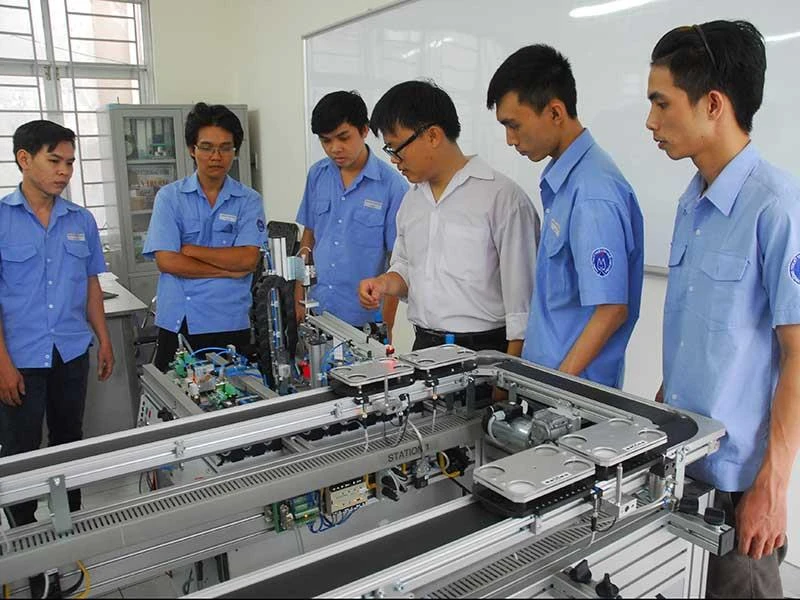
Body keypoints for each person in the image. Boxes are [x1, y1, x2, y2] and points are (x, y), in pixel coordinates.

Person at [647, 20, 799, 598]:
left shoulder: (777, 206)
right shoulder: (692, 203)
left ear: (713, 104)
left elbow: (799, 355)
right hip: (685, 461)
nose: (651, 122)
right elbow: (702, 332)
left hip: (741, 482)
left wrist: (772, 489)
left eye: (662, 103)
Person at [487, 44, 644, 388]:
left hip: (572, 396)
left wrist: (556, 385)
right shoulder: (565, 181)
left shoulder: (592, 193)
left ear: (556, 112)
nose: (510, 140)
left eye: (514, 125)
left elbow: (611, 309)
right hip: (551, 384)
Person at [358, 80, 539, 354]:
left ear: (432, 136)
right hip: (424, 348)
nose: (394, 160)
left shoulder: (502, 198)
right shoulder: (412, 201)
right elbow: (406, 267)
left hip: (485, 351)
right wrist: (384, 283)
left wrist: (509, 373)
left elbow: (523, 308)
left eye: (396, 148)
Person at [0, 120, 114, 529]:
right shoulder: (2, 219)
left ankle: (70, 525)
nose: (64, 171)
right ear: (24, 159)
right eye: (54, 161)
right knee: (21, 448)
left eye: (70, 162)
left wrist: (103, 340)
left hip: (70, 351)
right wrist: (2, 364)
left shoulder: (80, 220)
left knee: (68, 441)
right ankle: (23, 534)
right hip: (20, 357)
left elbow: (91, 284)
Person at [144, 103, 267, 371]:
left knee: (234, 392)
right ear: (192, 149)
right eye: (207, 147)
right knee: (174, 394)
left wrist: (191, 250)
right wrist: (227, 270)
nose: (216, 156)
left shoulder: (248, 200)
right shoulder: (170, 198)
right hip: (180, 320)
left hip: (230, 320)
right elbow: (167, 261)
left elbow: (247, 260)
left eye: (225, 148)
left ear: (235, 151)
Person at [295, 91, 408, 337]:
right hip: (318, 312)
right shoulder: (317, 175)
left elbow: (397, 261)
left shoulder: (392, 186)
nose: (335, 148)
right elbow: (309, 238)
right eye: (326, 141)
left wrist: (386, 326)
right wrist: (299, 297)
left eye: (343, 137)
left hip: (365, 322)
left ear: (364, 130)